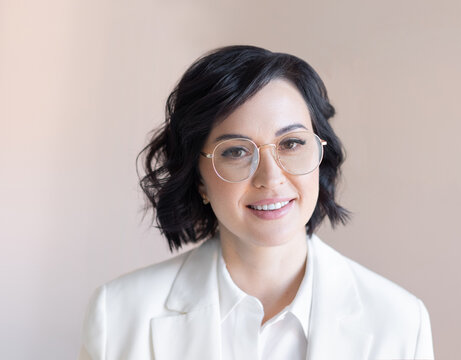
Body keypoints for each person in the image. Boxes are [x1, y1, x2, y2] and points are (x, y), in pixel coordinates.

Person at [78, 45, 434, 360]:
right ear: (198, 177)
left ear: (320, 154)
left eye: (291, 144)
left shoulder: (400, 322)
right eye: (235, 151)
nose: (271, 177)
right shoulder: (120, 314)